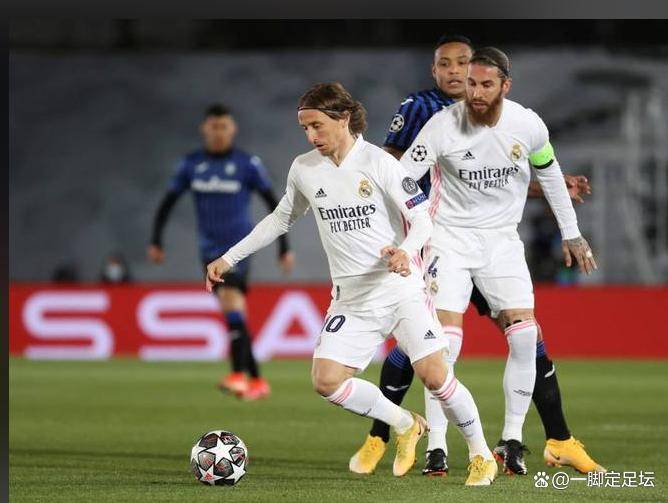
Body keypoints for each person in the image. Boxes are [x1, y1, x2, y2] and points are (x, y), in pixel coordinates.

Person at [206, 82, 498, 485]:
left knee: (435, 376)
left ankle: (481, 454)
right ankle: (405, 424)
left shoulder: (379, 163)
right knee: (326, 381)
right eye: (305, 128)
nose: (311, 135)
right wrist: (229, 258)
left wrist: (405, 251)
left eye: (317, 125)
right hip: (352, 300)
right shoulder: (304, 168)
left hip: (400, 292)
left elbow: (421, 220)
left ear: (343, 118)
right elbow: (280, 219)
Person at [351, 35, 603, 477]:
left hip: (502, 243)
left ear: (505, 85)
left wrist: (572, 234)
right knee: (441, 344)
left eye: (485, 84)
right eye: (471, 83)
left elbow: (549, 174)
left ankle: (512, 440)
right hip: (447, 241)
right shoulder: (440, 124)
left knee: (525, 336)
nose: (475, 92)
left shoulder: (529, 125)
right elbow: (401, 177)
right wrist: (392, 233)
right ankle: (436, 445)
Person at [148, 103, 294, 400]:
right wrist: (156, 241)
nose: (219, 132)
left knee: (230, 302)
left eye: (224, 127)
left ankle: (238, 375)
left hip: (238, 248)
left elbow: (274, 204)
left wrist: (284, 247)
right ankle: (257, 381)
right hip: (208, 249)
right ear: (205, 128)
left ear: (232, 129)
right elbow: (167, 203)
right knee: (235, 312)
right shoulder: (191, 164)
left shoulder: (247, 164)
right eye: (214, 126)